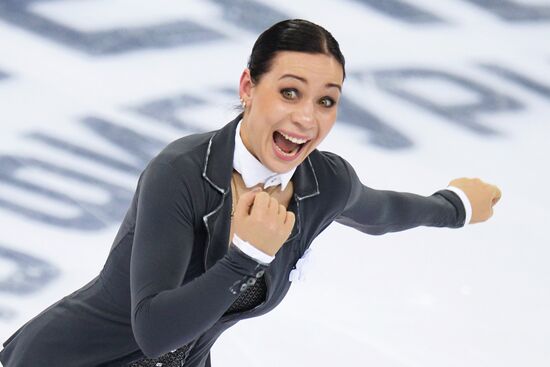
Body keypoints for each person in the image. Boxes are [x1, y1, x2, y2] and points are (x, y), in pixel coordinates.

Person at [0, 18, 502, 367]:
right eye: (290, 91)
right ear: (247, 86)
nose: (308, 118)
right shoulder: (180, 173)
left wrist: (453, 206)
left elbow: (380, 210)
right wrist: (246, 256)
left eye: (326, 101)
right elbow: (152, 330)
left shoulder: (323, 182)